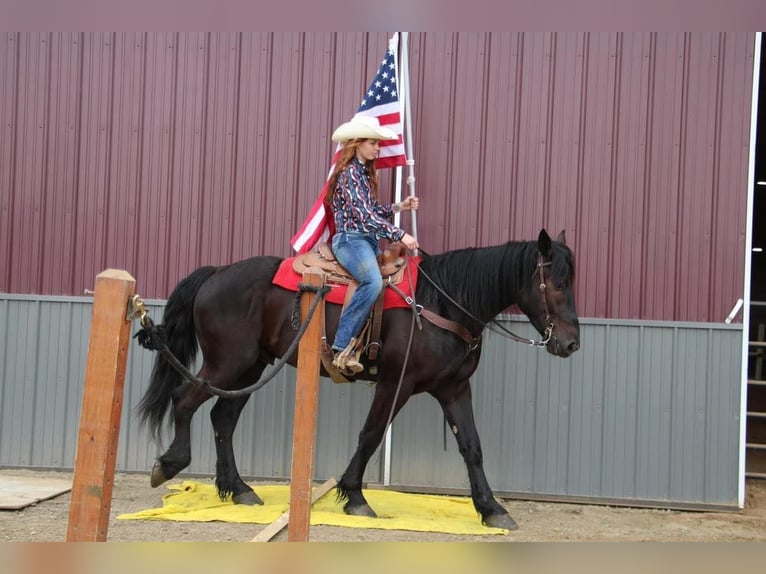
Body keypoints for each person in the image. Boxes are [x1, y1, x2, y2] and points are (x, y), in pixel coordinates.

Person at [324, 116, 419, 374]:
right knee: (373, 281)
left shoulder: (363, 174)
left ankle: (367, 344)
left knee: (393, 276)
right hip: (350, 240)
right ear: (357, 144)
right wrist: (400, 235)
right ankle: (341, 345)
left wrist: (401, 206)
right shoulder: (349, 174)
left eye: (377, 143)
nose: (377, 148)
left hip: (366, 240)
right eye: (372, 143)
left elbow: (373, 210)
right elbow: (365, 218)